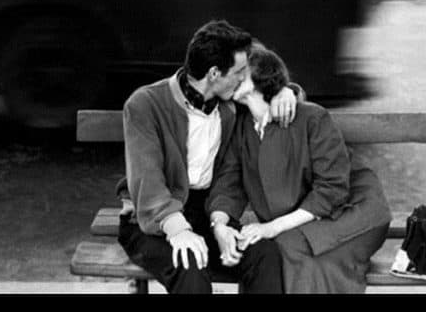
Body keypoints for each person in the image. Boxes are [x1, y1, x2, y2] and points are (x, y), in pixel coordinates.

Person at [117, 19, 302, 294]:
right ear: (214, 73)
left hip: (207, 212)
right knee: (189, 265)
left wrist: (284, 92)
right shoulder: (145, 104)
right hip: (152, 220)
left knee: (264, 254)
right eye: (239, 72)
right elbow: (148, 181)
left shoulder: (230, 104)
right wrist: (178, 230)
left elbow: (265, 80)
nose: (244, 78)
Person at [207, 45, 392, 293]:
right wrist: (220, 225)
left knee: (288, 250)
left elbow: (332, 189)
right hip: (299, 222)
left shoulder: (311, 118)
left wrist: (271, 227)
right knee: (271, 250)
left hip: (351, 212)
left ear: (260, 77)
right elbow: (228, 185)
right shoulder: (242, 127)